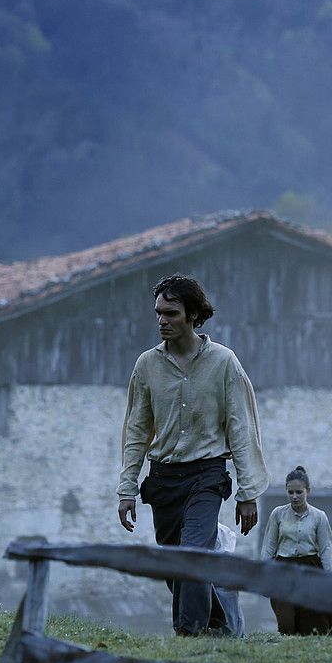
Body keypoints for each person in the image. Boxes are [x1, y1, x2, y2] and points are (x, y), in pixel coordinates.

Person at [117, 273, 269, 637]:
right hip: (164, 478)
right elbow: (137, 430)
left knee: (193, 555)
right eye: (158, 313)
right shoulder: (146, 366)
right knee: (176, 564)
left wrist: (248, 494)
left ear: (193, 315)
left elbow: (241, 427)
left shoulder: (224, 363)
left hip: (207, 475)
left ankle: (190, 633)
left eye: (170, 313)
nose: (161, 321)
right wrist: (127, 488)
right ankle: (222, 622)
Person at [261, 465, 332, 635]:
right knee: (286, 624)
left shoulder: (319, 516)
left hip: (310, 568)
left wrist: (329, 578)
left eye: (299, 492)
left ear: (308, 491)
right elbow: (269, 546)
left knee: (312, 628)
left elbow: (326, 548)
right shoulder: (278, 514)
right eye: (291, 492)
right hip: (283, 568)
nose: (295, 496)